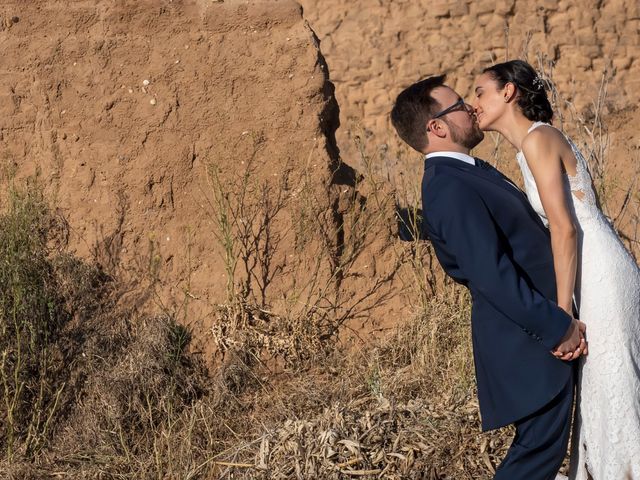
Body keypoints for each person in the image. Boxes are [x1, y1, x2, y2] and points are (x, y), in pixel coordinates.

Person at [390, 75, 587, 479]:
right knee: (536, 457)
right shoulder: (447, 185)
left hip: (537, 333)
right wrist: (556, 326)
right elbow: (491, 275)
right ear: (438, 127)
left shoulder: (466, 172)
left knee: (541, 453)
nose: (470, 108)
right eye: (459, 104)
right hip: (529, 342)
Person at [473, 59, 640, 480]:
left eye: (480, 92)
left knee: (615, 383)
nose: (473, 103)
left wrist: (561, 316)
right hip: (591, 268)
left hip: (598, 272)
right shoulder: (530, 145)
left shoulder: (538, 139)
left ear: (508, 92)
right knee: (603, 387)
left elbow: (564, 229)